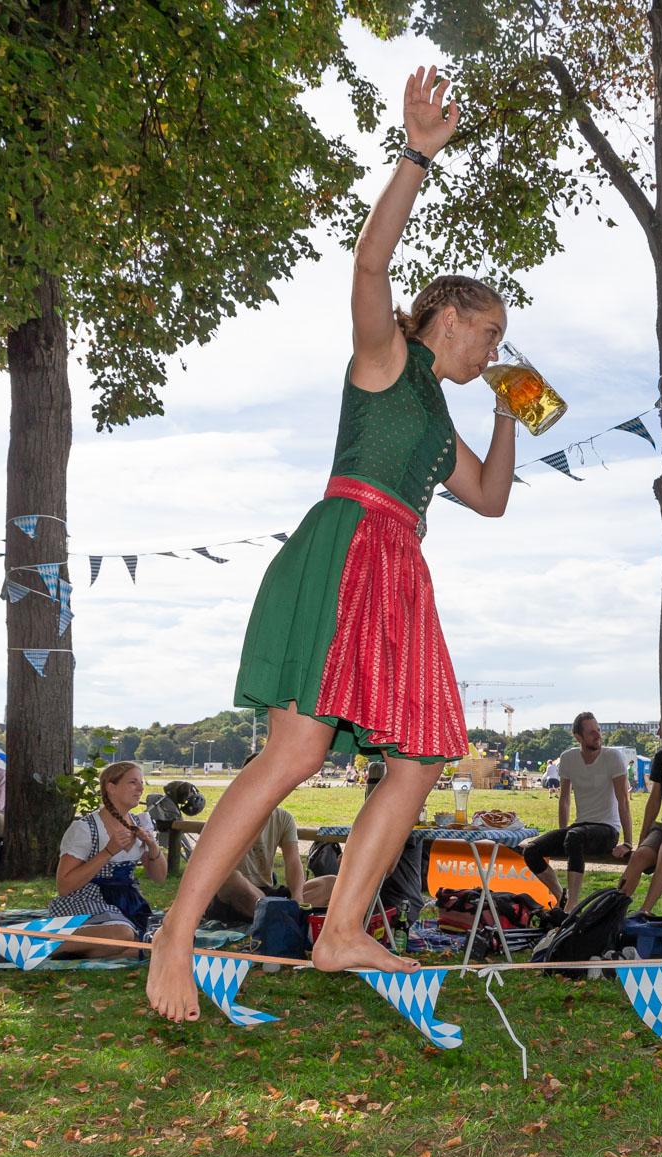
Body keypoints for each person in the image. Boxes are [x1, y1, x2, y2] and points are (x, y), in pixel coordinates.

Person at [146, 66, 516, 1021]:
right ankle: (175, 935)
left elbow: (488, 499)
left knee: (421, 760)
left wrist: (511, 411)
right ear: (446, 317)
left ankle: (342, 928)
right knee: (294, 756)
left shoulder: (440, 413)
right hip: (348, 548)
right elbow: (368, 265)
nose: (492, 350)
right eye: (488, 333)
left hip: (401, 567)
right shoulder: (386, 357)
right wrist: (416, 157)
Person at [46, 761, 168, 957]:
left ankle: (77, 950)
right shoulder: (85, 828)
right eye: (133, 782)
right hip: (85, 899)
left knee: (160, 941)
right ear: (111, 788)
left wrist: (152, 846)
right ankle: (37, 944)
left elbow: (159, 877)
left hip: (128, 901)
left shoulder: (140, 822)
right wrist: (107, 852)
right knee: (122, 934)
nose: (140, 788)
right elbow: (64, 886)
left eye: (141, 782)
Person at [522, 712, 632, 911]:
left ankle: (572, 905)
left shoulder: (613, 757)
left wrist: (628, 842)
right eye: (592, 732)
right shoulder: (568, 758)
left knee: (575, 836)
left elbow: (623, 801)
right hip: (580, 828)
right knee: (531, 850)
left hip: (607, 830)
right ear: (578, 737)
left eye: (598, 730)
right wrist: (561, 833)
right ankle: (561, 895)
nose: (598, 735)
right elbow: (564, 799)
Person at [202, 750, 304, 925]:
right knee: (233, 879)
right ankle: (281, 917)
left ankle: (276, 913)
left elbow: (293, 861)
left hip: (266, 891)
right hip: (232, 894)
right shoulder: (226, 813)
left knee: (329, 884)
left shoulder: (283, 818)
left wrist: (297, 896)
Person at [619, 744, 662, 912]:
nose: (659, 732)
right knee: (639, 855)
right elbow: (655, 797)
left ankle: (643, 912)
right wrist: (644, 835)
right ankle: (614, 910)